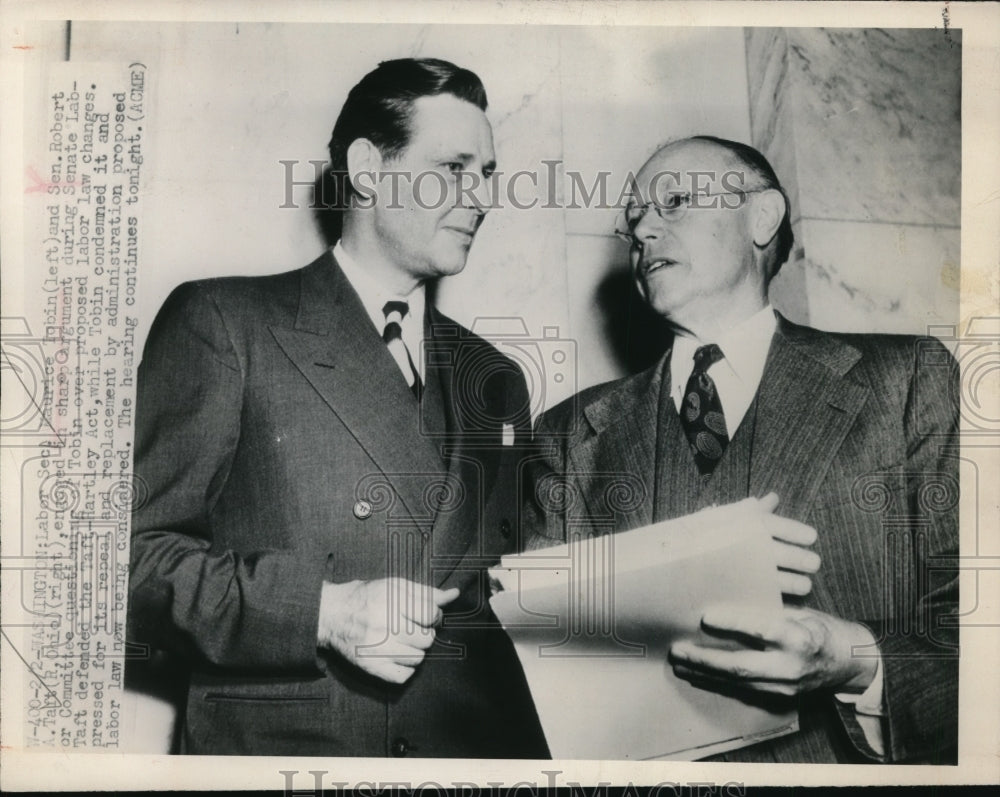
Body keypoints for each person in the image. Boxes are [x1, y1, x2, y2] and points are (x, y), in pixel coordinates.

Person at [126, 57, 548, 757]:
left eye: (488, 175)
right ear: (367, 168)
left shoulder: (497, 379)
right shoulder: (226, 322)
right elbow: (130, 562)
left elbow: (510, 598)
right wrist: (323, 612)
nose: (480, 198)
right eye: (453, 168)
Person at [527, 136, 959, 763]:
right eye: (633, 221)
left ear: (762, 217)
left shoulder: (909, 381)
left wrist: (851, 660)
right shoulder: (568, 435)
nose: (643, 228)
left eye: (673, 202)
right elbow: (550, 656)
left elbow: (974, 627)